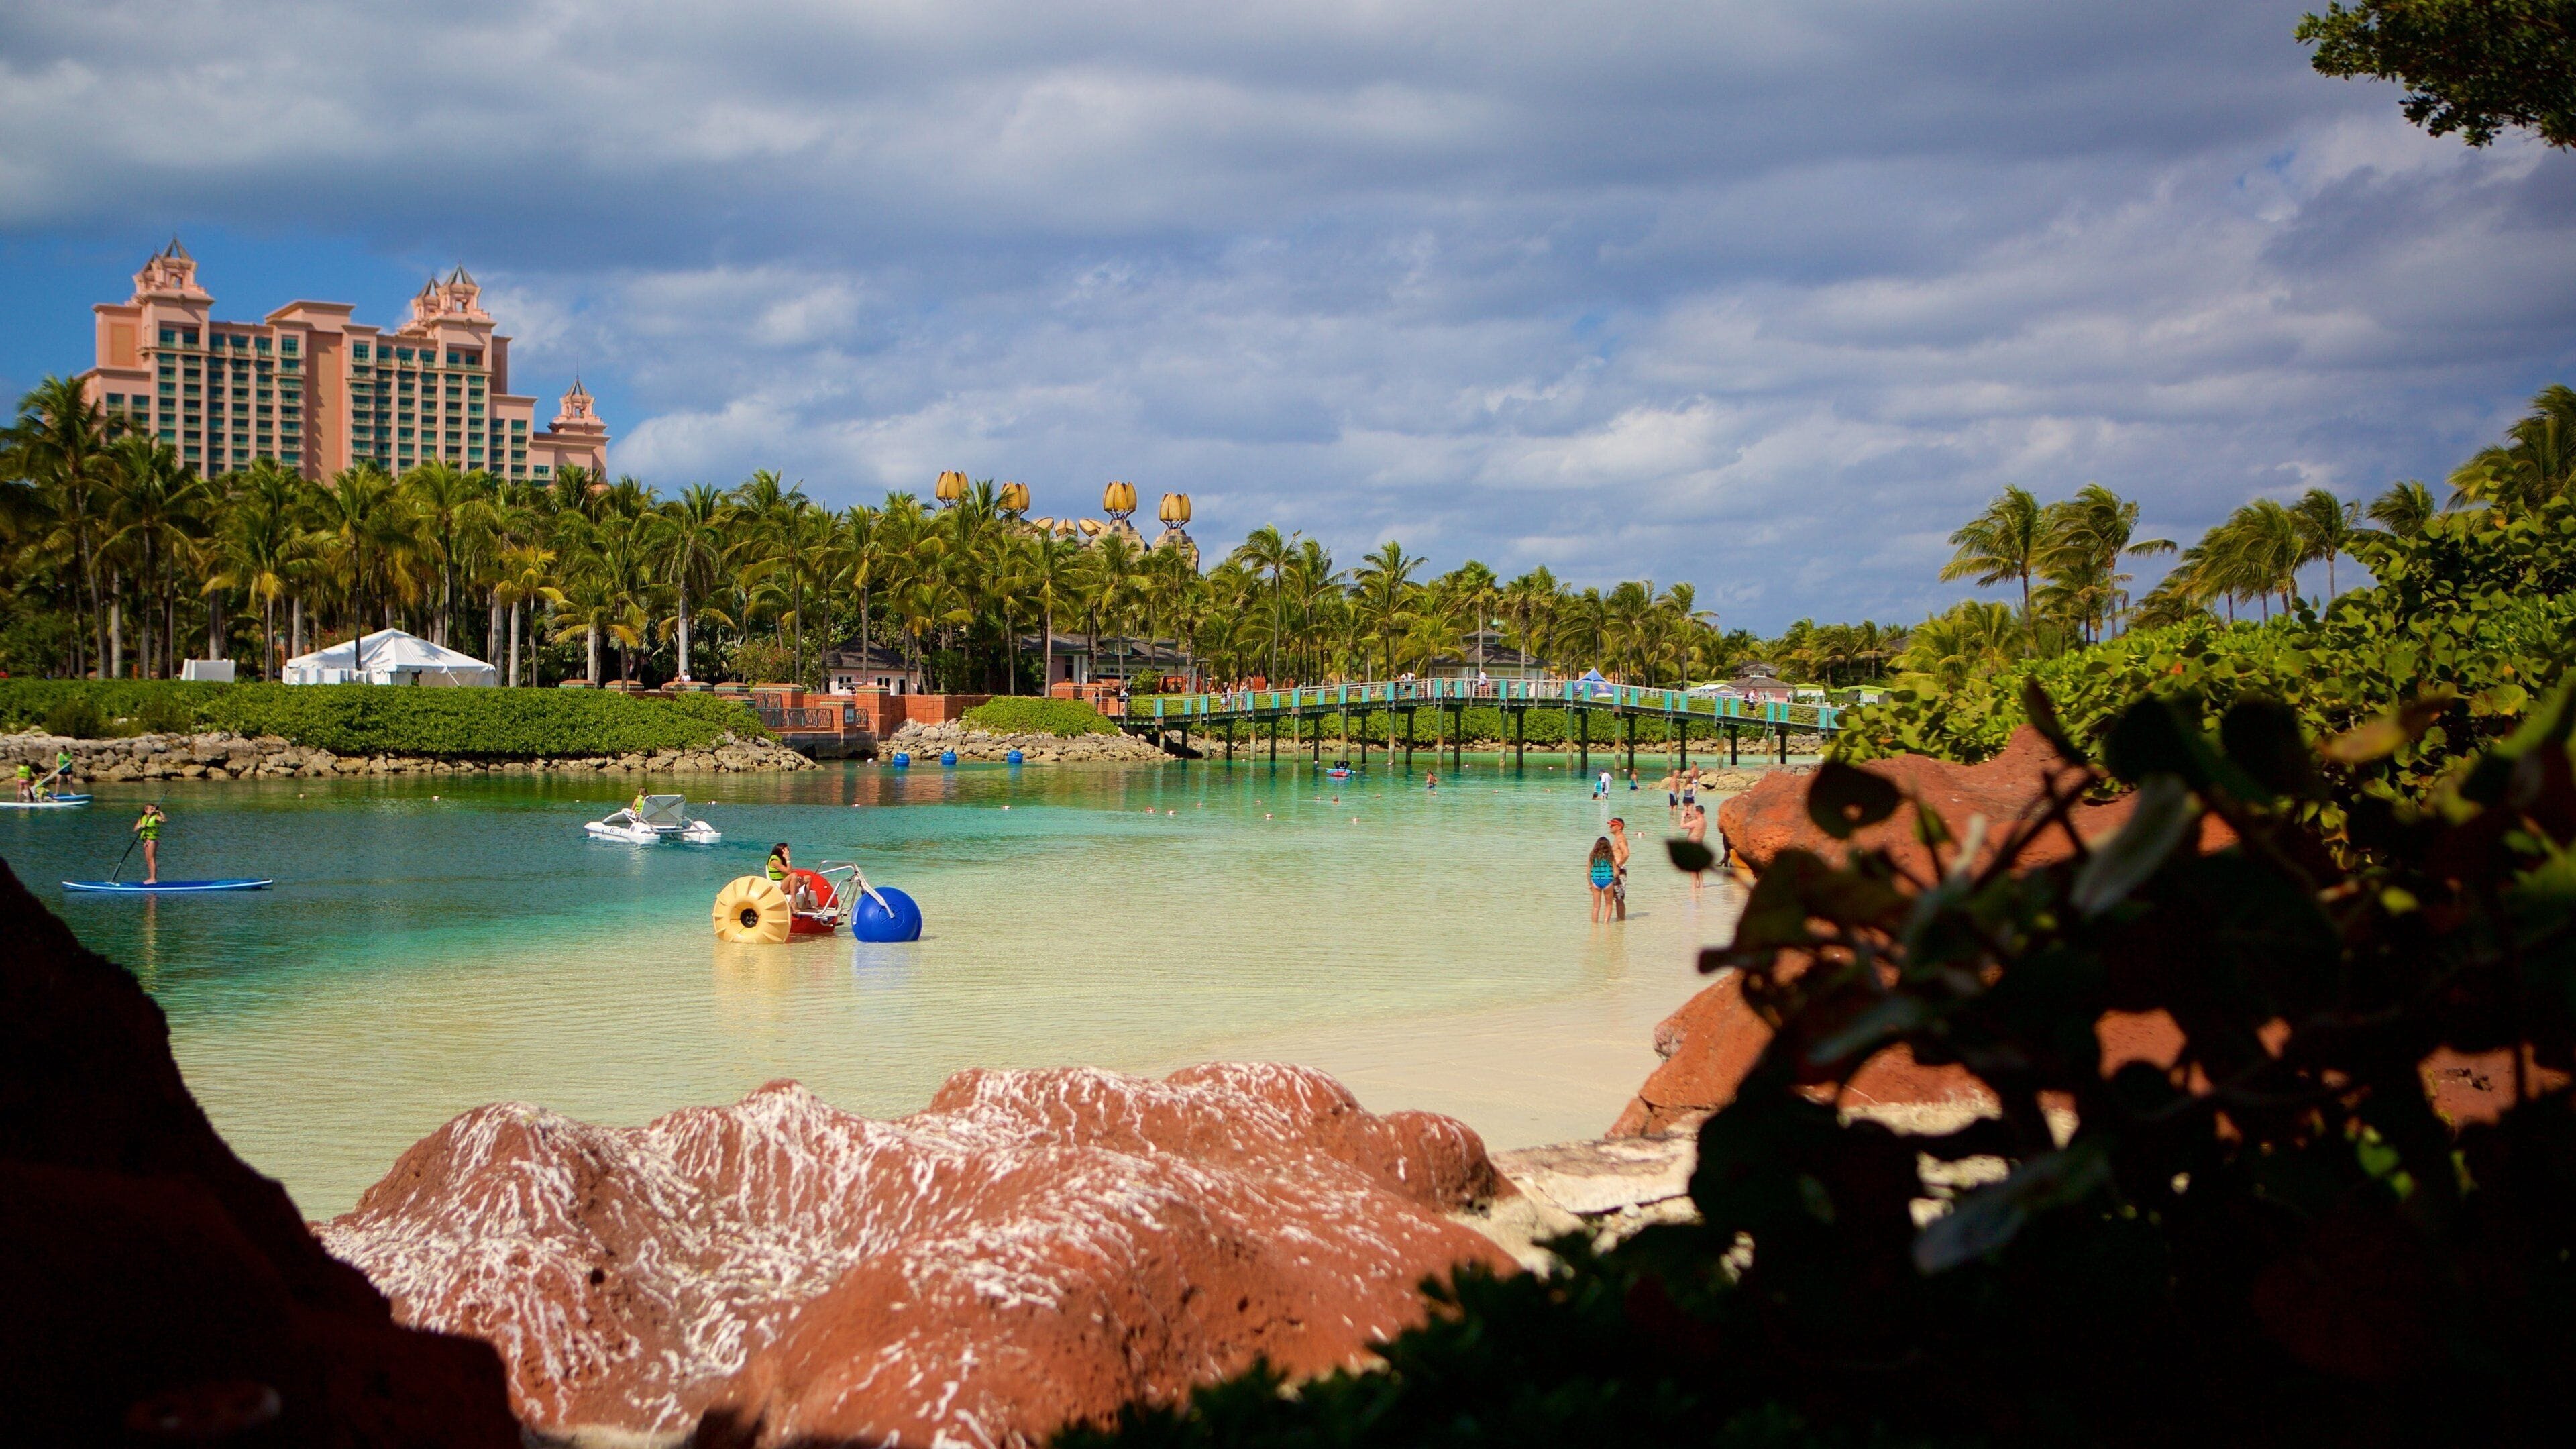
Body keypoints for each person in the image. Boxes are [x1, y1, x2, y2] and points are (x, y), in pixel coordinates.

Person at [1682, 800, 1710, 901]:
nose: (1693, 813)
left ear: (1698, 812)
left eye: (1695, 812)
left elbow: (1682, 826)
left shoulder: (1696, 822)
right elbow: (1694, 826)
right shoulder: (1704, 822)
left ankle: (1694, 886)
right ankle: (1701, 886)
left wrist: (1682, 817)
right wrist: (1690, 818)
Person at [133, 803, 165, 884]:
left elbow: (164, 820)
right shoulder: (142, 818)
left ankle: (153, 879)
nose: (153, 810)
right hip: (145, 841)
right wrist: (141, 826)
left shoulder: (156, 817)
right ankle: (151, 877)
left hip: (152, 840)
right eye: (151, 809)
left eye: (153, 809)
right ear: (146, 810)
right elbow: (135, 829)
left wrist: (160, 812)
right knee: (148, 860)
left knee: (151, 859)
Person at [1588, 836, 1618, 922]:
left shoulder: (1592, 856)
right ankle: (1606, 924)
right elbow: (1616, 872)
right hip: (1608, 881)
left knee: (1596, 907)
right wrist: (1612, 879)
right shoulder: (1610, 856)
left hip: (1595, 881)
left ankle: (1594, 927)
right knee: (1609, 904)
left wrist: (1590, 883)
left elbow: (1588, 872)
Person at [1607, 816, 1631, 920]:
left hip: (1619, 871)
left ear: (1619, 827)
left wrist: (1619, 865)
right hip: (1616, 870)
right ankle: (1620, 922)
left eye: (1613, 825)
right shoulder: (1618, 838)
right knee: (1617, 897)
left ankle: (1621, 920)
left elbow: (1626, 854)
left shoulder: (1620, 838)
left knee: (1619, 898)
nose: (1610, 826)